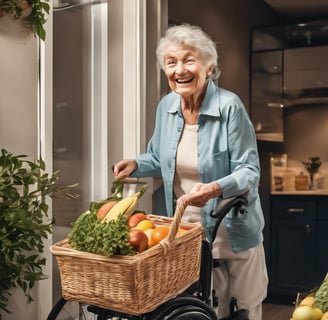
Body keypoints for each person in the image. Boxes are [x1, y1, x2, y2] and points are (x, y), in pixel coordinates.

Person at [113, 24, 268, 319]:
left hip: (232, 229)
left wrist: (216, 188)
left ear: (209, 68)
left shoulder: (229, 107)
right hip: (187, 233)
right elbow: (161, 158)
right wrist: (136, 164)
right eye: (171, 62)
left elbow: (250, 171)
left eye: (188, 60)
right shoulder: (167, 106)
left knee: (243, 309)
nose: (179, 69)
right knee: (201, 310)